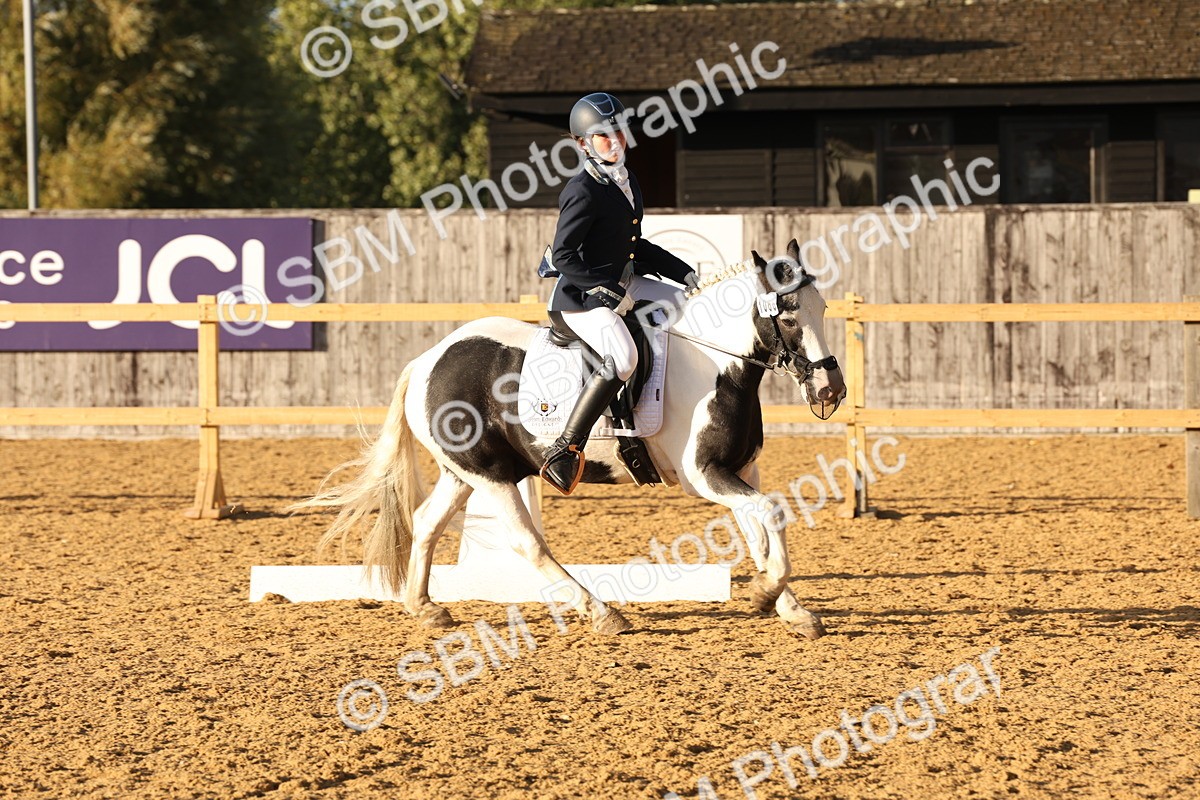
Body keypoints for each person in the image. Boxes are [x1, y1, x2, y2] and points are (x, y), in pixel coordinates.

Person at [539, 92, 700, 495]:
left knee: (685, 308)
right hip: (578, 299)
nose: (614, 141)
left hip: (622, 283)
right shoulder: (582, 190)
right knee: (624, 357)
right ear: (583, 144)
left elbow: (636, 247)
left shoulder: (626, 183)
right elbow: (563, 255)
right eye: (602, 136)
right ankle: (566, 449)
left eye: (618, 132)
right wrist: (606, 289)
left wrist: (684, 273)